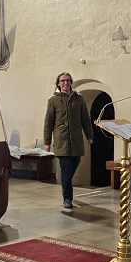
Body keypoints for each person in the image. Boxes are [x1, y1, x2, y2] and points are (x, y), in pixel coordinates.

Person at [44, 72, 93, 209]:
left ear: (71, 82)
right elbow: (48, 122)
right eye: (62, 81)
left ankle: (66, 186)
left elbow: (85, 119)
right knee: (66, 170)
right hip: (61, 141)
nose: (65, 83)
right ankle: (67, 198)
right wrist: (47, 142)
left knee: (75, 163)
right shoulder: (53, 101)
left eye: (68, 80)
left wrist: (89, 136)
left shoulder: (79, 99)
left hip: (76, 141)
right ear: (58, 84)